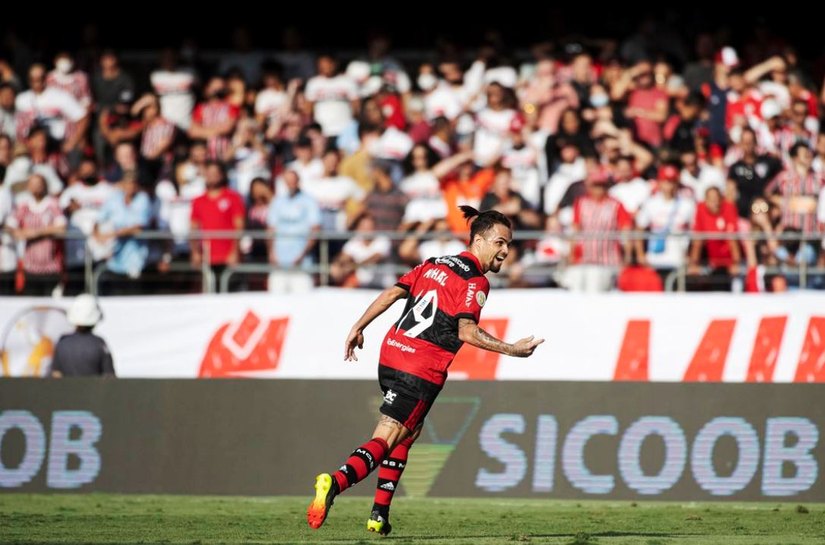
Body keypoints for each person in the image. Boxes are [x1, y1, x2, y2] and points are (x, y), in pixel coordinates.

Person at [306, 206, 544, 535]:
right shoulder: (475, 281)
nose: (506, 250)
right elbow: (466, 331)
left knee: (410, 430)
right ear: (478, 240)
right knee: (388, 435)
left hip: (390, 354)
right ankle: (334, 482)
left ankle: (379, 514)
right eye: (500, 242)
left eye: (509, 244)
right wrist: (511, 349)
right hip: (420, 366)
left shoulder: (434, 264)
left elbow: (392, 294)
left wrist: (358, 327)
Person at [51, 294, 115, 377]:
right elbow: (109, 376)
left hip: (66, 390)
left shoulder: (62, 343)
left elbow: (56, 374)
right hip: (94, 389)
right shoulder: (99, 344)